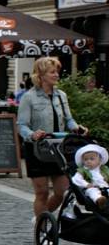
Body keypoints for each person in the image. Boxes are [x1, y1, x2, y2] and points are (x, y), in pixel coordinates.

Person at [17, 57, 88, 219]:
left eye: (57, 72)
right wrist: (32, 134)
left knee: (61, 192)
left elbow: (69, 120)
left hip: (58, 148)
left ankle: (41, 218)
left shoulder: (61, 96)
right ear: (41, 75)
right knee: (41, 192)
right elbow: (21, 125)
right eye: (52, 72)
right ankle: (41, 228)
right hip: (37, 148)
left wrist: (77, 128)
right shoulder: (29, 97)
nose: (57, 75)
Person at [72, 144, 109, 211]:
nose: (88, 161)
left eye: (92, 159)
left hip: (105, 187)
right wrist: (86, 184)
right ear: (83, 161)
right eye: (86, 159)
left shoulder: (104, 169)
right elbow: (76, 179)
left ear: (99, 160)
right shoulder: (83, 170)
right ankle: (100, 201)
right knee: (92, 192)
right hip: (92, 187)